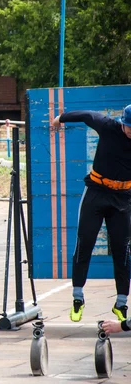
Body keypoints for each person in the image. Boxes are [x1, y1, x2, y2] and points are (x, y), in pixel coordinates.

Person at [52, 105, 131, 323]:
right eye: (129, 127)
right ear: (123, 122)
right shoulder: (108, 126)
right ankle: (78, 297)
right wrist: (61, 118)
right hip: (96, 192)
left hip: (123, 198)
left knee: (122, 250)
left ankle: (121, 303)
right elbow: (87, 115)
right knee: (84, 242)